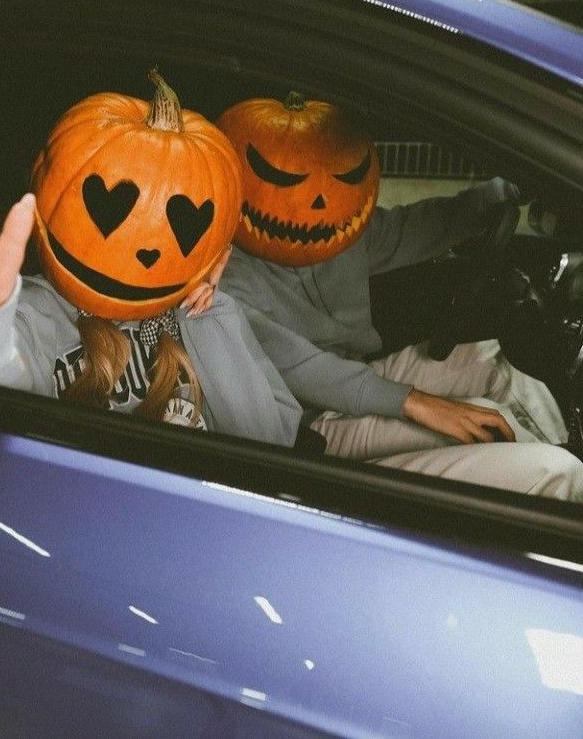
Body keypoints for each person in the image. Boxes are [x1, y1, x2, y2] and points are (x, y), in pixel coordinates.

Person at [215, 94, 583, 501]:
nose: (317, 198)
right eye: (284, 179)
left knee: (494, 365)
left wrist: (503, 193)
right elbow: (306, 369)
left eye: (340, 177)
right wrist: (415, 402)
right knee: (485, 426)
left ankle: (561, 452)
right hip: (308, 422)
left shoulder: (339, 229)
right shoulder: (222, 276)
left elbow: (417, 228)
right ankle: (556, 486)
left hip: (362, 373)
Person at [0, 168, 301, 446]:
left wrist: (205, 317)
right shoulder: (42, 309)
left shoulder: (207, 315)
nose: (147, 244)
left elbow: (271, 448)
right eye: (118, 212)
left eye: (174, 218)